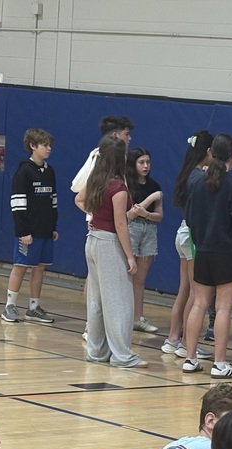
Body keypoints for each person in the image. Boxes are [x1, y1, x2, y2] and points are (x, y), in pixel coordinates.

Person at [182, 133, 232, 379]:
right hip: (228, 253)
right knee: (223, 308)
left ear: (211, 153)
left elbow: (190, 219)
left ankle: (190, 358)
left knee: (199, 303)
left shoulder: (198, 183)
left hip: (202, 251)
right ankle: (220, 363)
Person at [75, 135, 148, 369]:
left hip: (92, 241)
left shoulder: (96, 178)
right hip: (109, 244)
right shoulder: (118, 187)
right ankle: (123, 356)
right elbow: (120, 224)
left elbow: (79, 199)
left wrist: (93, 216)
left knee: (96, 301)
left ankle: (96, 352)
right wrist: (129, 256)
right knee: (119, 302)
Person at [161, 131, 214, 359]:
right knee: (196, 291)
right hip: (191, 235)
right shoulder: (199, 177)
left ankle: (173, 339)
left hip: (182, 232)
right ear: (209, 152)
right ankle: (184, 342)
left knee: (184, 289)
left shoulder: (188, 173)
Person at [2, 127, 58, 324]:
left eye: (50, 145)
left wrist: (53, 226)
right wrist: (23, 231)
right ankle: (10, 305)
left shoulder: (49, 171)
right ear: (33, 146)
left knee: (40, 267)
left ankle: (33, 308)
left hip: (45, 231)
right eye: (44, 145)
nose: (49, 148)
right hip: (28, 232)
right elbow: (17, 203)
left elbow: (53, 201)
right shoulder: (24, 171)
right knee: (21, 266)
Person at [126, 146, 163, 335]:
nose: (146, 166)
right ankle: (123, 317)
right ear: (133, 164)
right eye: (141, 162)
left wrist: (147, 213)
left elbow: (159, 215)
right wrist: (149, 201)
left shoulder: (154, 185)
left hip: (149, 230)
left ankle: (137, 318)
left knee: (140, 279)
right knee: (126, 276)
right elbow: (129, 215)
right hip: (131, 230)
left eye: (148, 162)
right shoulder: (126, 185)